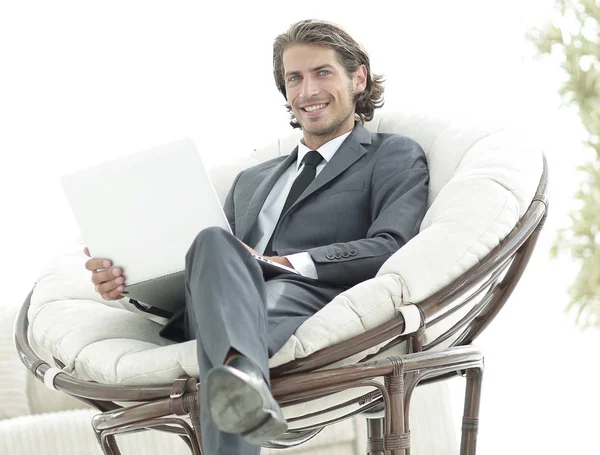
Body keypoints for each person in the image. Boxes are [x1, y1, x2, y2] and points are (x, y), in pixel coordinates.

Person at [84, 19, 429, 455]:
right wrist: (129, 282)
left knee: (248, 294)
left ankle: (237, 378)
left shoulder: (391, 154)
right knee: (211, 240)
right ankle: (242, 375)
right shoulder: (251, 180)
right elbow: (213, 266)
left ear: (358, 77)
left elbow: (391, 245)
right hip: (224, 299)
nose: (307, 91)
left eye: (322, 72)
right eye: (294, 78)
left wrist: (282, 264)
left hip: (308, 294)